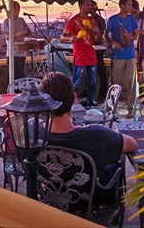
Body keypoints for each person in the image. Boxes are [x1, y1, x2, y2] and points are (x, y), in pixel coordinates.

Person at [39, 72, 138, 205]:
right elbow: (132, 144)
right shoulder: (97, 135)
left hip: (50, 203)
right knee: (115, 167)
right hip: (93, 204)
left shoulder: (32, 134)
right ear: (74, 98)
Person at [60, 0, 102, 108]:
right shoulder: (72, 21)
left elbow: (98, 39)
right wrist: (70, 39)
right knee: (77, 83)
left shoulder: (92, 20)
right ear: (81, 6)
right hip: (79, 55)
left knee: (92, 82)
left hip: (91, 54)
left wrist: (97, 31)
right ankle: (71, 104)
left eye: (90, 5)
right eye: (87, 5)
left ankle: (90, 104)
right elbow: (62, 38)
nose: (90, 7)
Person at [105, 0, 140, 119]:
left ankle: (131, 109)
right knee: (115, 82)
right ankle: (111, 107)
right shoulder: (112, 20)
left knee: (132, 82)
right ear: (122, 6)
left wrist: (130, 38)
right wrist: (113, 42)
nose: (131, 7)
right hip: (118, 55)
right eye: (129, 5)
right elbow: (106, 36)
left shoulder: (132, 19)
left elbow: (137, 34)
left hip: (130, 55)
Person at [3, 1, 32, 80]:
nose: (17, 13)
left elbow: (29, 32)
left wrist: (25, 32)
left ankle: (18, 92)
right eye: (15, 10)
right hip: (12, 54)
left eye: (18, 10)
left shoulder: (21, 20)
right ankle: (10, 92)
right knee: (11, 77)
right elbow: (7, 36)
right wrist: (16, 35)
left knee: (20, 78)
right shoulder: (6, 21)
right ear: (10, 10)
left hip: (22, 54)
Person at [92, 1, 109, 102]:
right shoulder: (88, 19)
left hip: (98, 48)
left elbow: (101, 35)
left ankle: (103, 93)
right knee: (91, 71)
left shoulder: (100, 20)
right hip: (90, 47)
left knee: (100, 70)